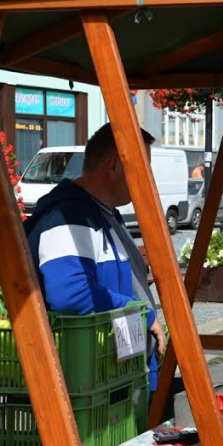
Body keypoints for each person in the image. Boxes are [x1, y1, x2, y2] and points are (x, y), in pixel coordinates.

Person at [25, 124, 167, 392]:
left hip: (114, 382)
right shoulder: (69, 215)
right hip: (93, 387)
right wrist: (142, 312)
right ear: (113, 167)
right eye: (143, 168)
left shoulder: (103, 213)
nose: (148, 178)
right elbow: (72, 294)